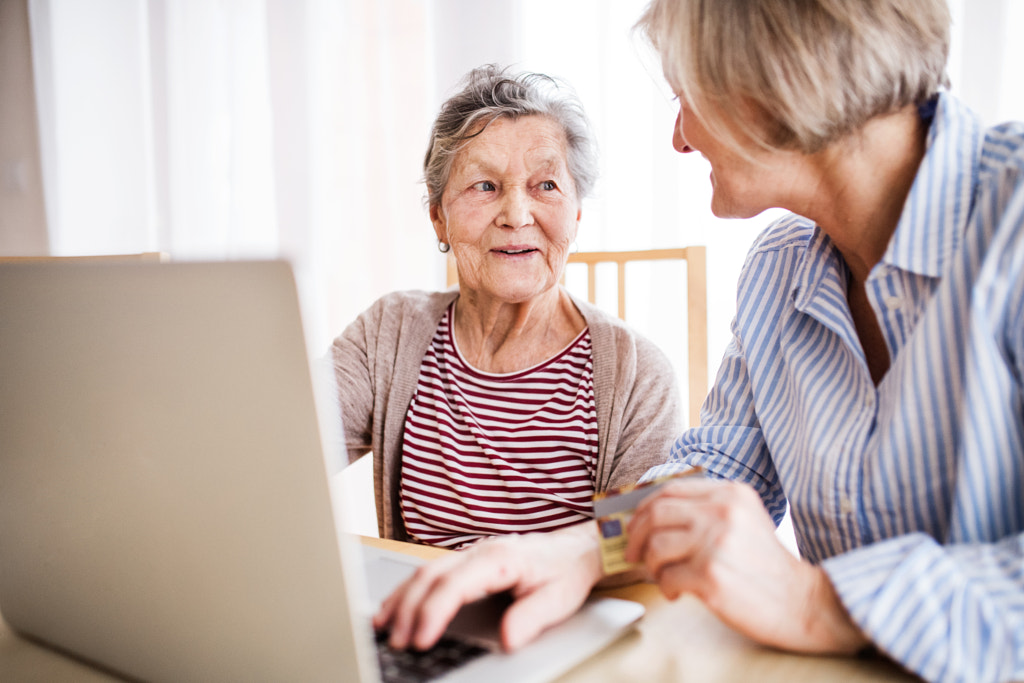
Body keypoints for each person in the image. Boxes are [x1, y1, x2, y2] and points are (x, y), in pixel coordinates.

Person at [373, 2, 1024, 681]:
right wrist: (579, 549)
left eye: (685, 96)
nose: (680, 138)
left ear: (774, 83)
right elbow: (717, 467)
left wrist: (818, 603)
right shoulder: (781, 266)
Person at [329, 65, 682, 549]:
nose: (516, 215)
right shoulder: (389, 332)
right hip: (423, 618)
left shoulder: (639, 374)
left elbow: (639, 548)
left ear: (576, 215)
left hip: (561, 619)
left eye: (546, 186)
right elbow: (280, 445)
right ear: (438, 216)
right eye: (485, 186)